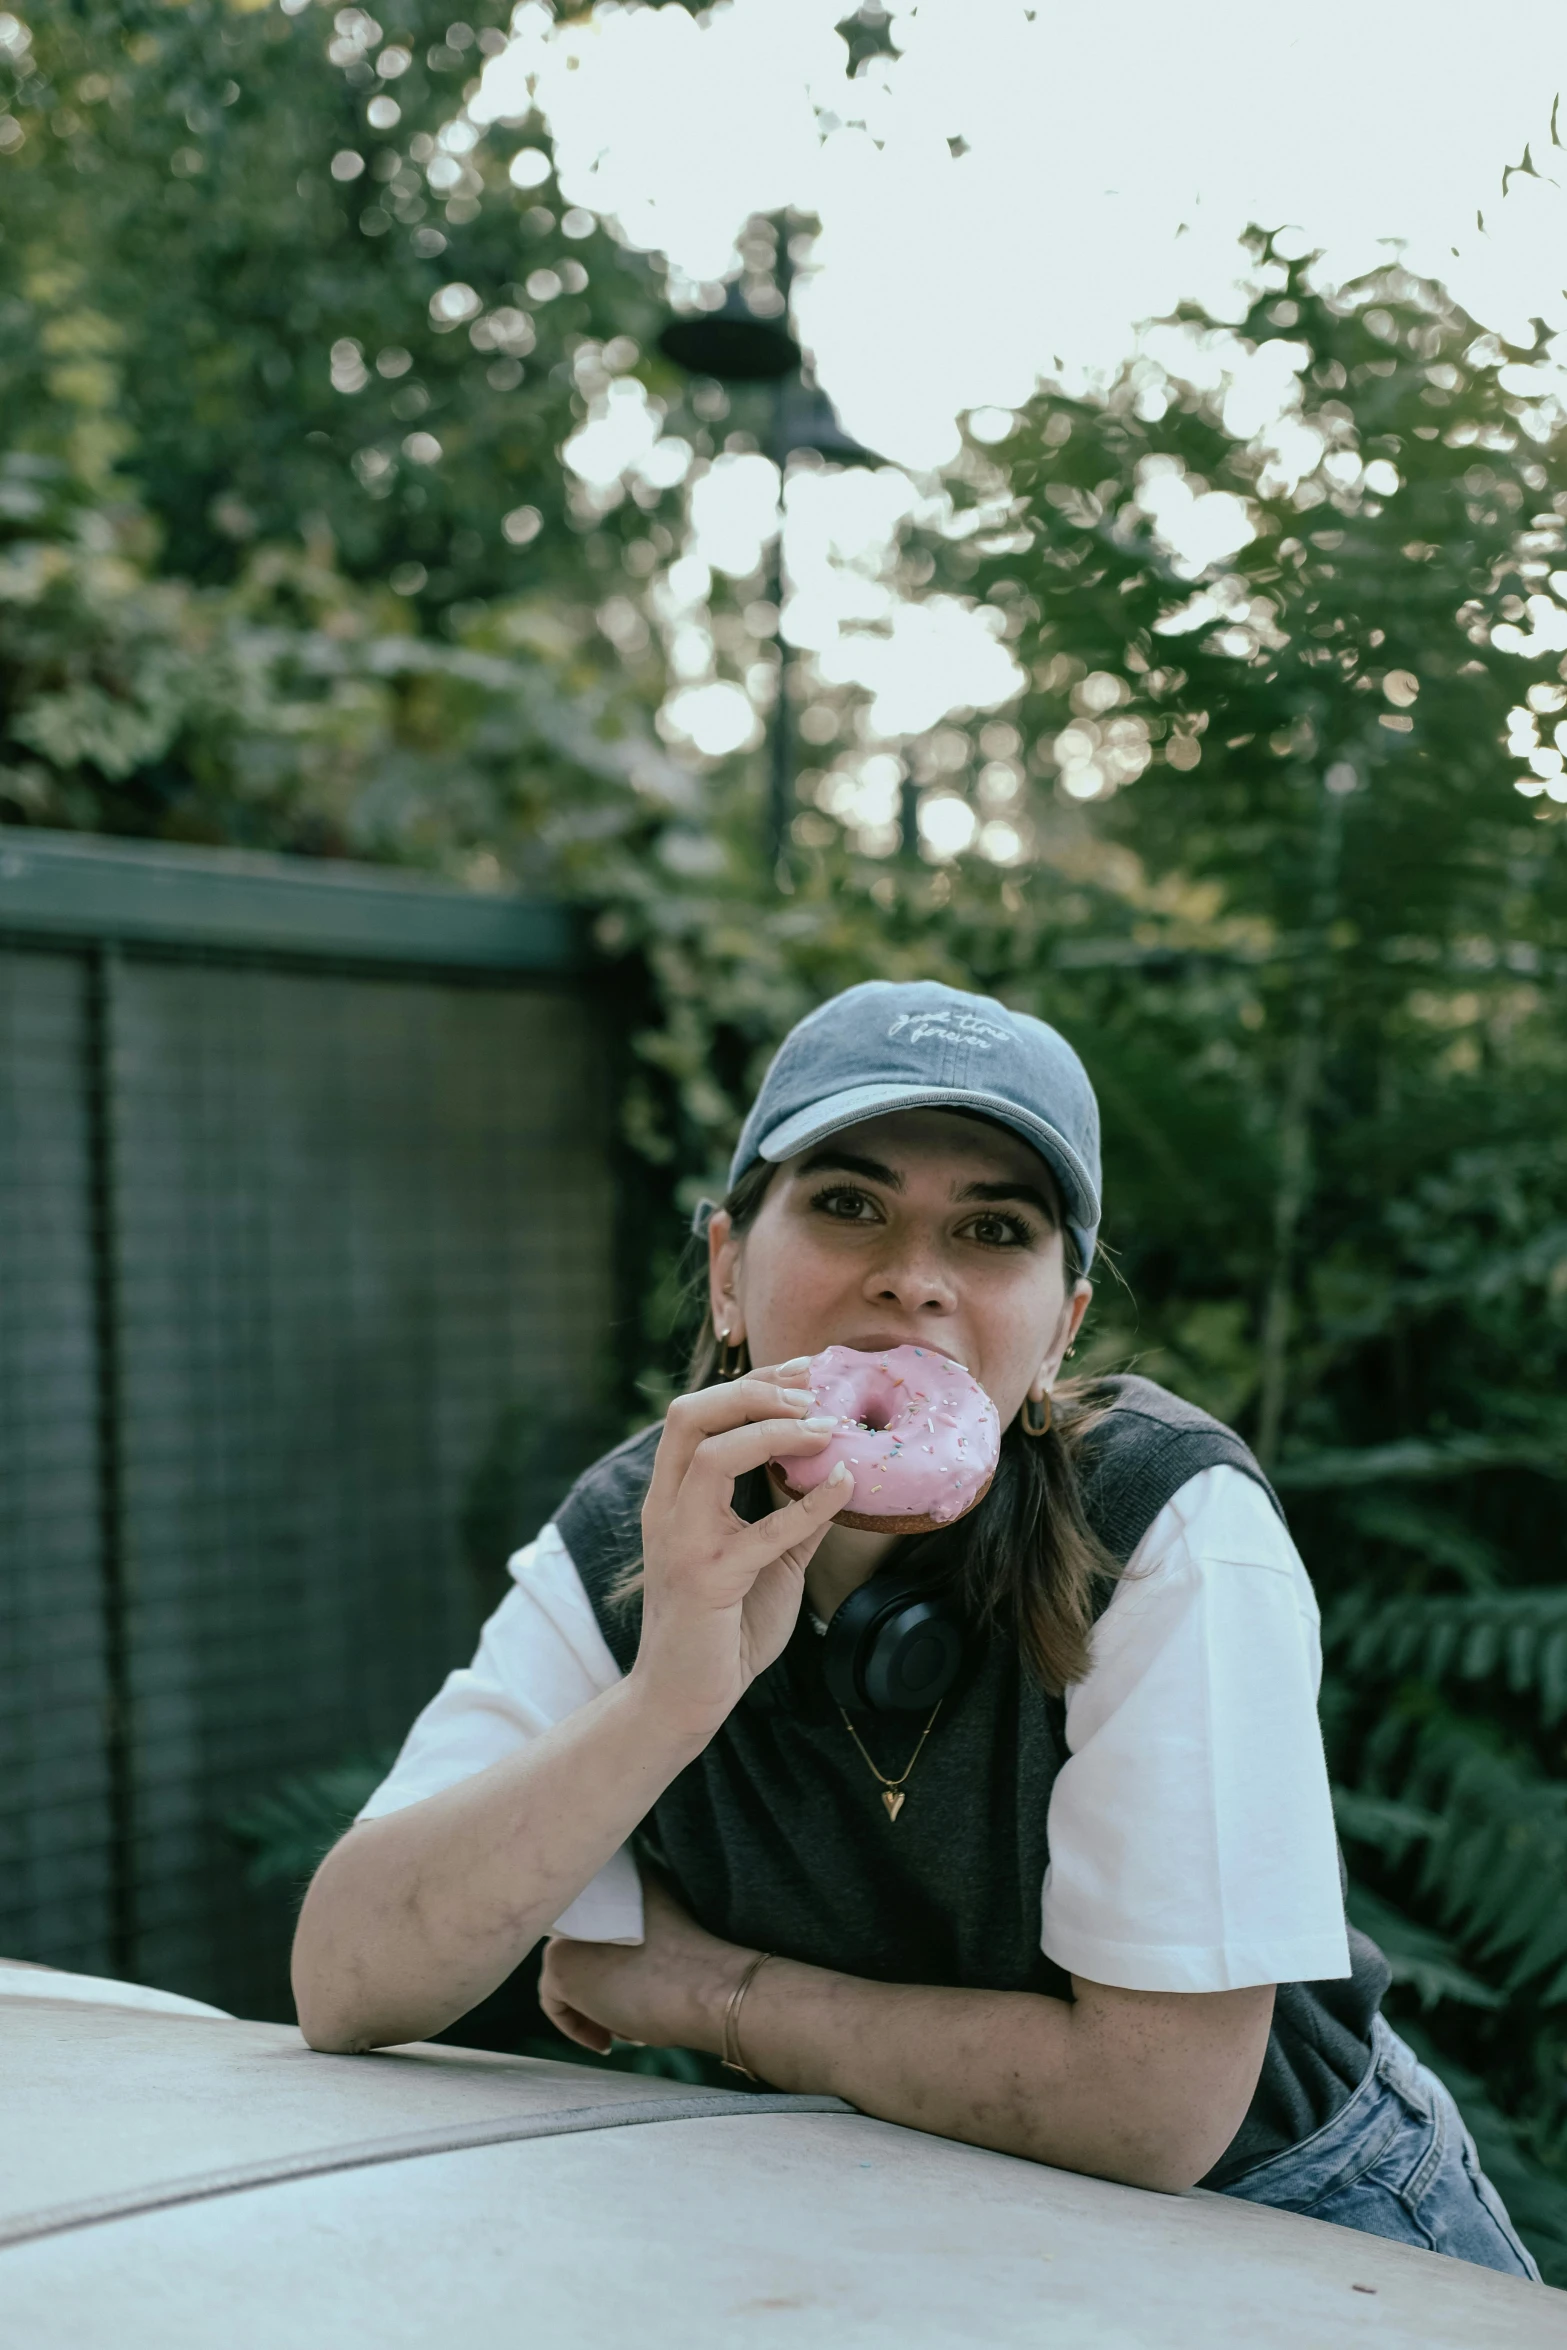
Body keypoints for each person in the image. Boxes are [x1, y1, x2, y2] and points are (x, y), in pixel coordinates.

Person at [292, 979, 1538, 2278]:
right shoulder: (631, 1532)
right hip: (881, 2211)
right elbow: (344, 1975)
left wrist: (700, 1992)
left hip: (1299, 2225)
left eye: (992, 1227)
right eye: (846, 1204)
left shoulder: (1165, 1522)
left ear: (1059, 1328)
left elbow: (1154, 2106)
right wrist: (667, 1695)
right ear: (727, 1269)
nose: (911, 1280)